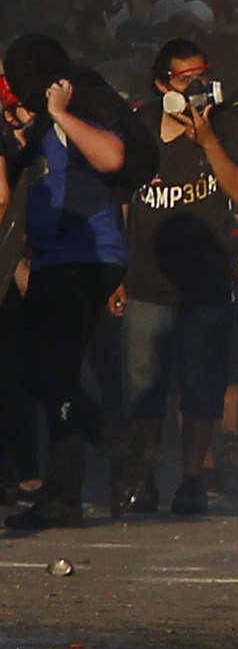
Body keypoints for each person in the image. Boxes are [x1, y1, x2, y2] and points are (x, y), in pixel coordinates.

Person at [2, 34, 157, 530]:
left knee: (48, 369)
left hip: (86, 253)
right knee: (49, 372)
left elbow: (112, 157)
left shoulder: (80, 101)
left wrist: (62, 113)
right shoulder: (42, 117)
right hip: (54, 257)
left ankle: (124, 452)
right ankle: (64, 493)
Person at [117, 40, 238, 516]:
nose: (195, 87)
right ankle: (143, 477)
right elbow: (122, 201)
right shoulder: (140, 125)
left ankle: (194, 478)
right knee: (145, 384)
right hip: (148, 278)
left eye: (201, 77)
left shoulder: (221, 123)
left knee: (201, 383)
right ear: (162, 85)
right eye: (184, 80)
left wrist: (208, 141)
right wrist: (117, 270)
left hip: (206, 280)